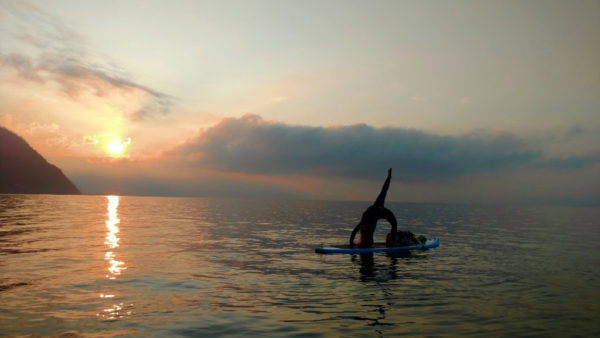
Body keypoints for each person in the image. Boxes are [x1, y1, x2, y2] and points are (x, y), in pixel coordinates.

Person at [349, 168, 398, 248]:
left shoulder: (369, 222)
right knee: (383, 192)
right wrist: (351, 244)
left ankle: (392, 241)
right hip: (374, 209)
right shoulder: (364, 223)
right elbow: (354, 232)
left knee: (394, 223)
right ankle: (366, 242)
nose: (363, 228)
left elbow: (384, 189)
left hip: (380, 211)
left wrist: (388, 178)